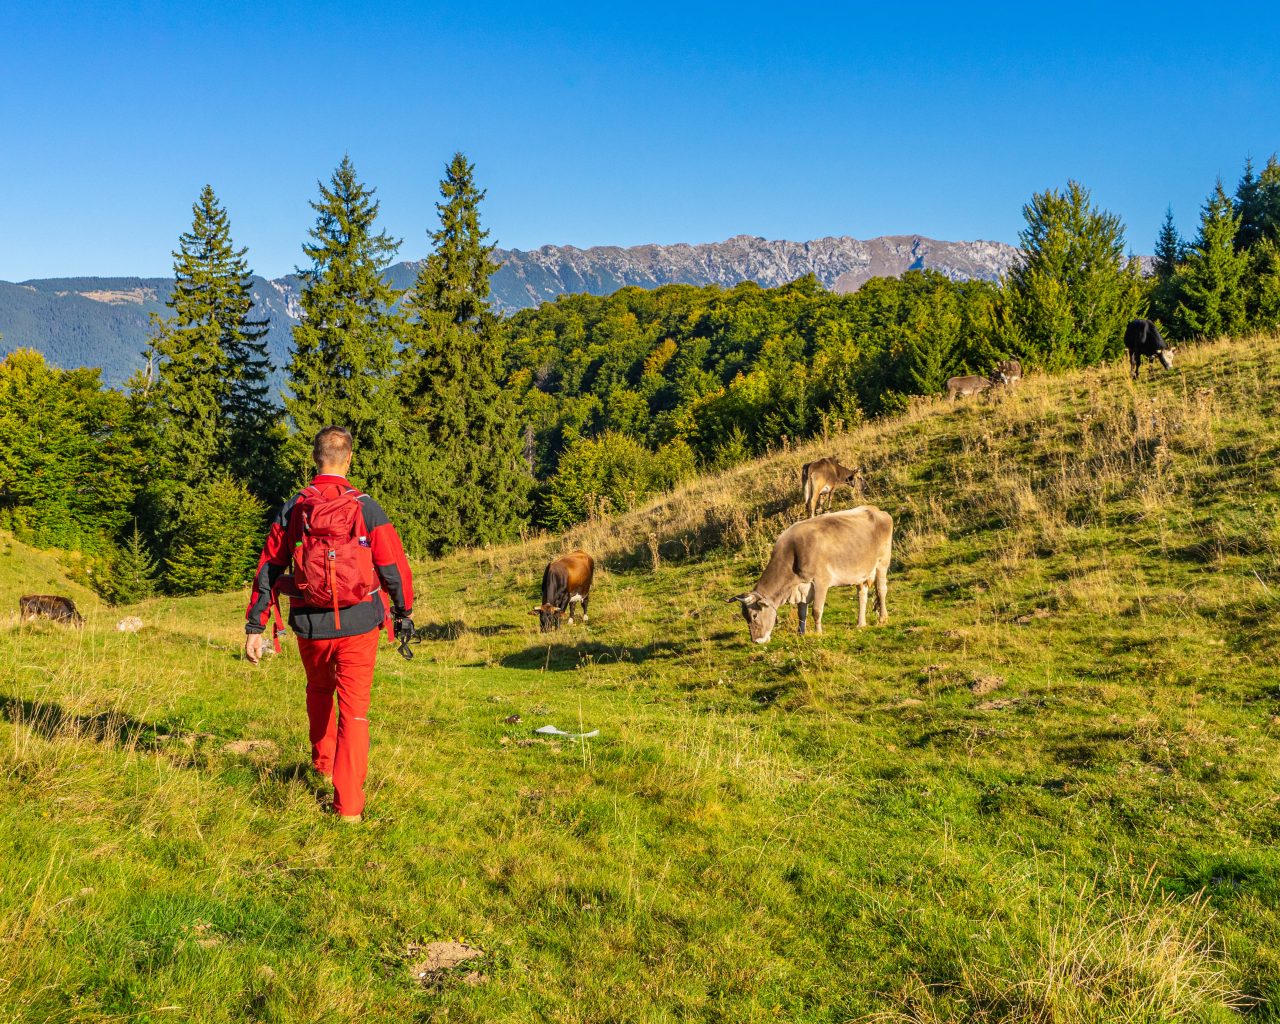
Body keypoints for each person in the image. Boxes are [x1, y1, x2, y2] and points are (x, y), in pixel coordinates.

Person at [244, 425, 414, 823]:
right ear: (349, 459)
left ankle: (322, 763)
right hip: (359, 624)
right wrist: (403, 612)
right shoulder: (366, 507)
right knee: (354, 711)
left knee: (319, 691)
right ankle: (349, 807)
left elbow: (269, 566)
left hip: (309, 623)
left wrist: (256, 624)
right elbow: (393, 566)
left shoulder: (295, 507)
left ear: (315, 458)